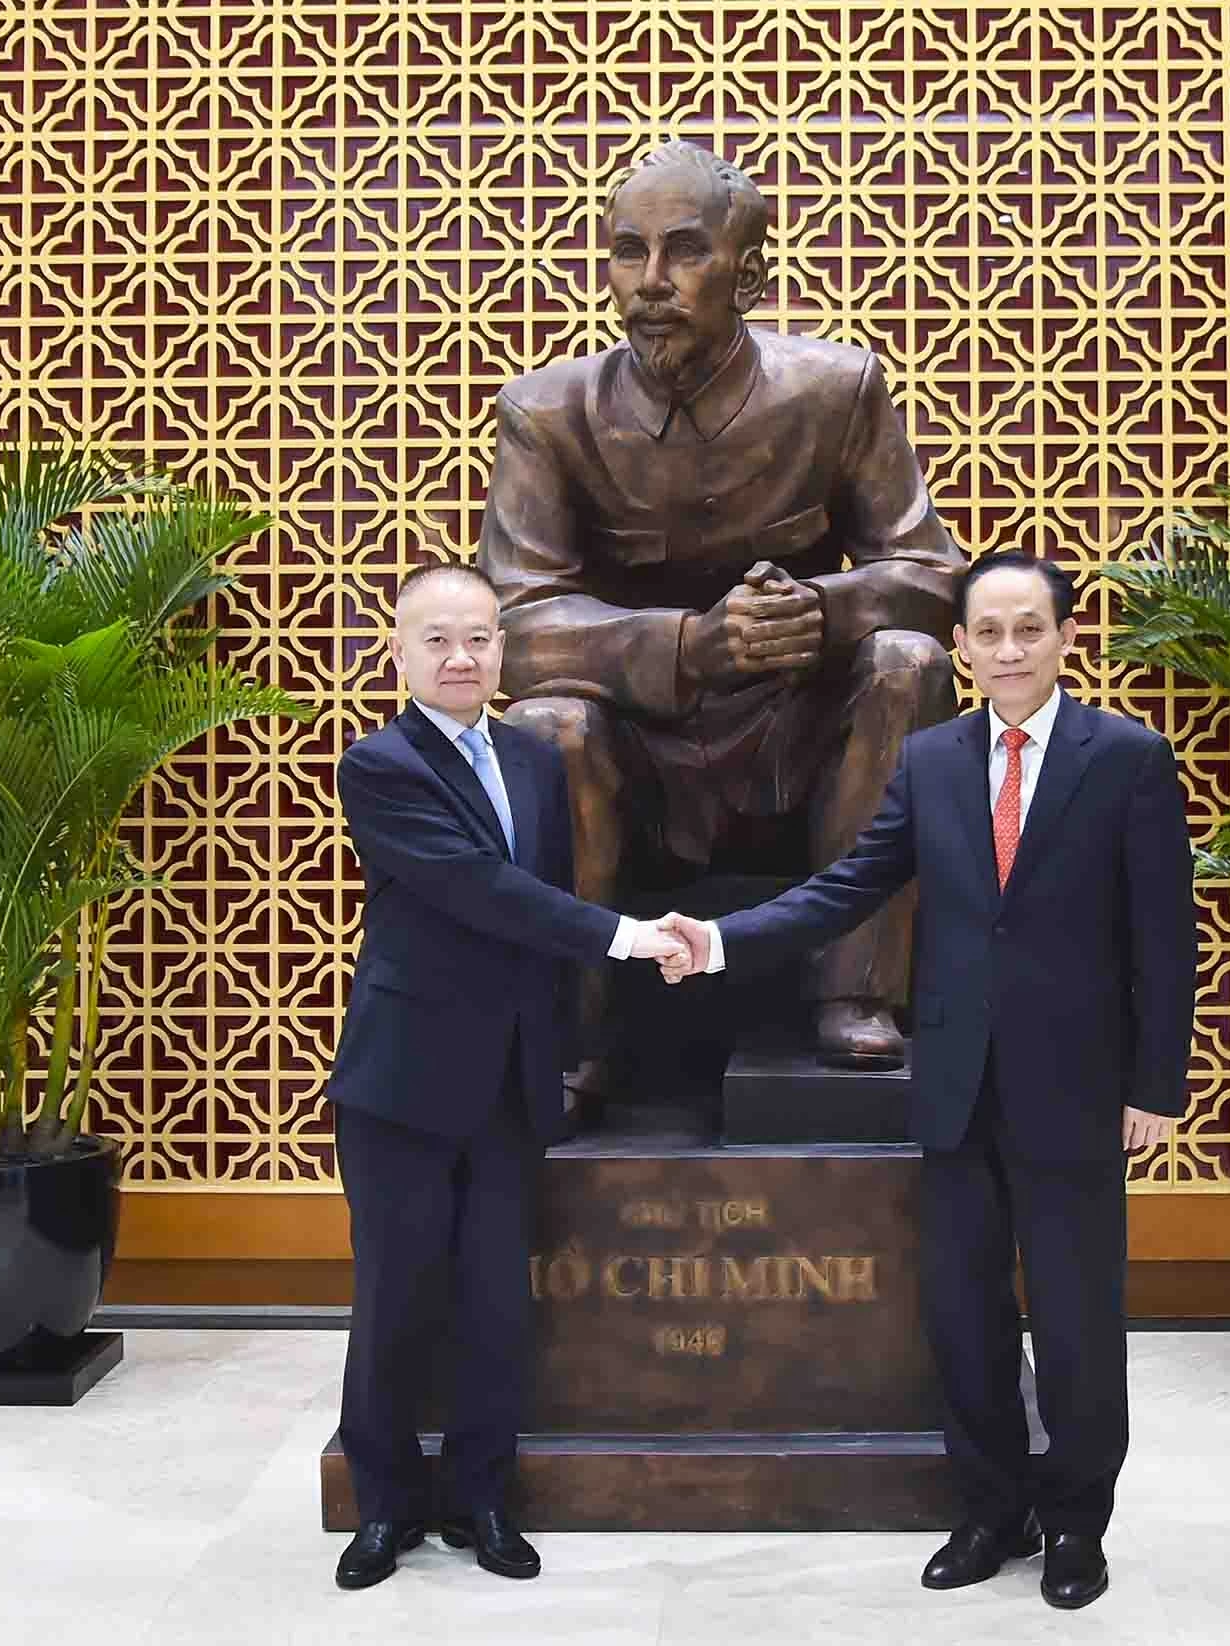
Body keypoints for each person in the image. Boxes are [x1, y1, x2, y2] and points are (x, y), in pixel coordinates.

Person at [657, 551, 1197, 1609]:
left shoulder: (1127, 757)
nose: (1006, 649)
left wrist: (1155, 1087)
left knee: (1080, 1324)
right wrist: (719, 942)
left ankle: (1077, 1525)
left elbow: (1163, 942)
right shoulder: (933, 760)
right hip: (952, 1086)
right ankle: (990, 1508)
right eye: (986, 631)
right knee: (963, 1317)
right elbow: (845, 887)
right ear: (959, 647)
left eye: (1026, 629)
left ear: (1064, 639)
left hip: (1077, 1090)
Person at [481, 138, 965, 1077]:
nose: (651, 281)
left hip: (800, 735)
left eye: (685, 251)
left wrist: (825, 612)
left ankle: (856, 993)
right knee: (546, 723)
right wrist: (687, 648)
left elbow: (933, 575)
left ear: (747, 278)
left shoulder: (838, 390)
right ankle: (573, 1034)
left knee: (909, 662)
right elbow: (517, 624)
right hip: (636, 749)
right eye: (629, 251)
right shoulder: (547, 414)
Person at [328, 562, 688, 1590]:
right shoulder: (380, 763)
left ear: (504, 649)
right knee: (394, 1300)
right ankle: (384, 1505)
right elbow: (485, 892)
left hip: (511, 1076)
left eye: (478, 637)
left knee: (496, 1300)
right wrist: (625, 935)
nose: (460, 656)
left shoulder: (533, 760)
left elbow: (545, 904)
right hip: (402, 1081)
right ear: (399, 652)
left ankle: (480, 1497)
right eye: (437, 638)